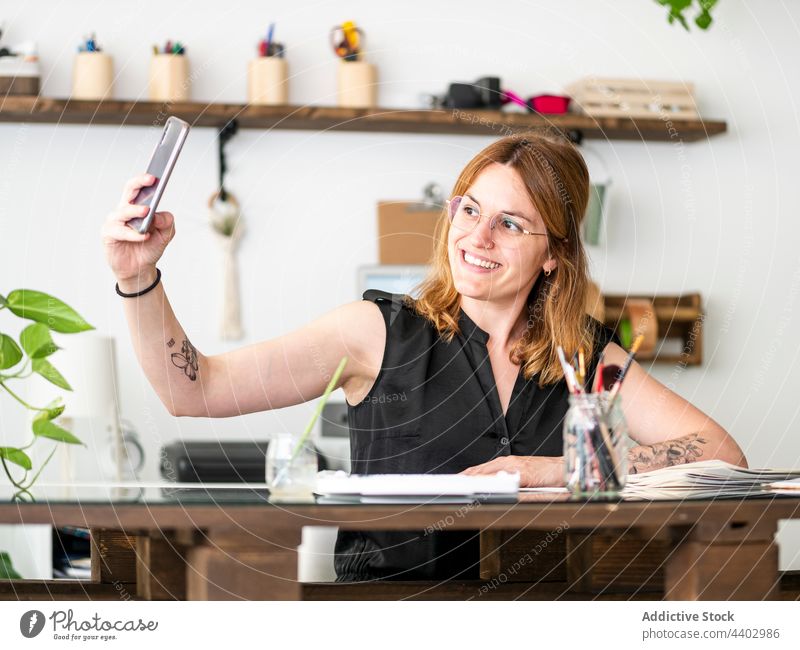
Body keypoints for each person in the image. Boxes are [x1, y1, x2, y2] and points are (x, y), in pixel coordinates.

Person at [102, 133, 747, 582]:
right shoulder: (373, 333)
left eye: (511, 223)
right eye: (469, 209)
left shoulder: (581, 353)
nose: (477, 236)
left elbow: (721, 453)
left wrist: (552, 471)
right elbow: (197, 390)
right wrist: (137, 278)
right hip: (389, 618)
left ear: (553, 254)